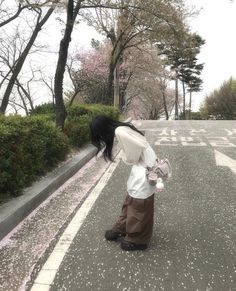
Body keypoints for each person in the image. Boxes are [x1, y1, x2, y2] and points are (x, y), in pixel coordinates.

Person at [90, 115, 157, 251]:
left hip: (145, 168)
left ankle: (138, 239)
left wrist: (126, 158)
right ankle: (122, 227)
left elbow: (134, 154)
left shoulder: (120, 131)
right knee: (131, 200)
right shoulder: (122, 128)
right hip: (145, 164)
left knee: (139, 203)